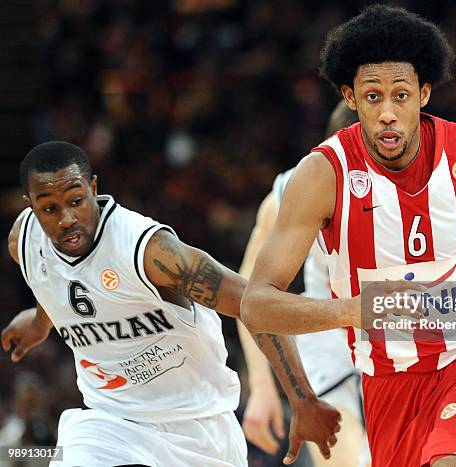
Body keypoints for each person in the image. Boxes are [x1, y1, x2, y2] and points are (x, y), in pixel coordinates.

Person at [241, 5, 456, 467]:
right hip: (388, 376)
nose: (387, 112)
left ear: (424, 93)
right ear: (350, 97)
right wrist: (357, 310)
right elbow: (256, 302)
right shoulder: (320, 176)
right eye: (372, 96)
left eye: (401, 95)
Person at [1, 141, 341, 467]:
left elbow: (255, 304)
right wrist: (39, 322)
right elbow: (59, 284)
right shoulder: (25, 243)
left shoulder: (147, 250)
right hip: (110, 422)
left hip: (198, 427)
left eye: (76, 201)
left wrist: (302, 398)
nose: (66, 219)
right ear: (30, 206)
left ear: (92, 187)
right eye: (49, 209)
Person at [237, 101, 371, 467]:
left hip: (398, 336)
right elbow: (247, 295)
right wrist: (262, 388)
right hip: (327, 339)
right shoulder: (291, 192)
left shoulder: (422, 184)